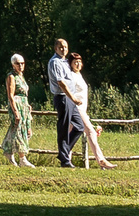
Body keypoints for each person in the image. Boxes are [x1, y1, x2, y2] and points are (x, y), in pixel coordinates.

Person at [69, 51, 117, 169]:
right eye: (75, 62)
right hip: (76, 108)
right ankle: (101, 160)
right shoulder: (71, 76)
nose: (78, 64)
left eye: (80, 62)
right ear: (70, 64)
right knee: (90, 131)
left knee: (69, 135)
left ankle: (65, 160)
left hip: (81, 109)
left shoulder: (79, 75)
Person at [49, 38, 82, 166]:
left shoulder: (64, 62)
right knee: (63, 127)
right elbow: (61, 82)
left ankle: (64, 151)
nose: (64, 49)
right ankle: (65, 160)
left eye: (66, 47)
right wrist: (72, 98)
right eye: (61, 47)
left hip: (70, 98)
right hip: (63, 97)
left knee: (79, 126)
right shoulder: (55, 62)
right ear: (56, 48)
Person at [2, 53, 36, 166]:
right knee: (19, 130)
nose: (20, 66)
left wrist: (27, 105)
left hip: (24, 105)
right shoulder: (11, 76)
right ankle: (22, 158)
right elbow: (11, 95)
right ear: (13, 65)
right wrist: (16, 111)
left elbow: (24, 94)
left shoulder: (21, 76)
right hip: (16, 105)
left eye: (22, 63)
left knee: (24, 130)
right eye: (18, 63)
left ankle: (8, 151)